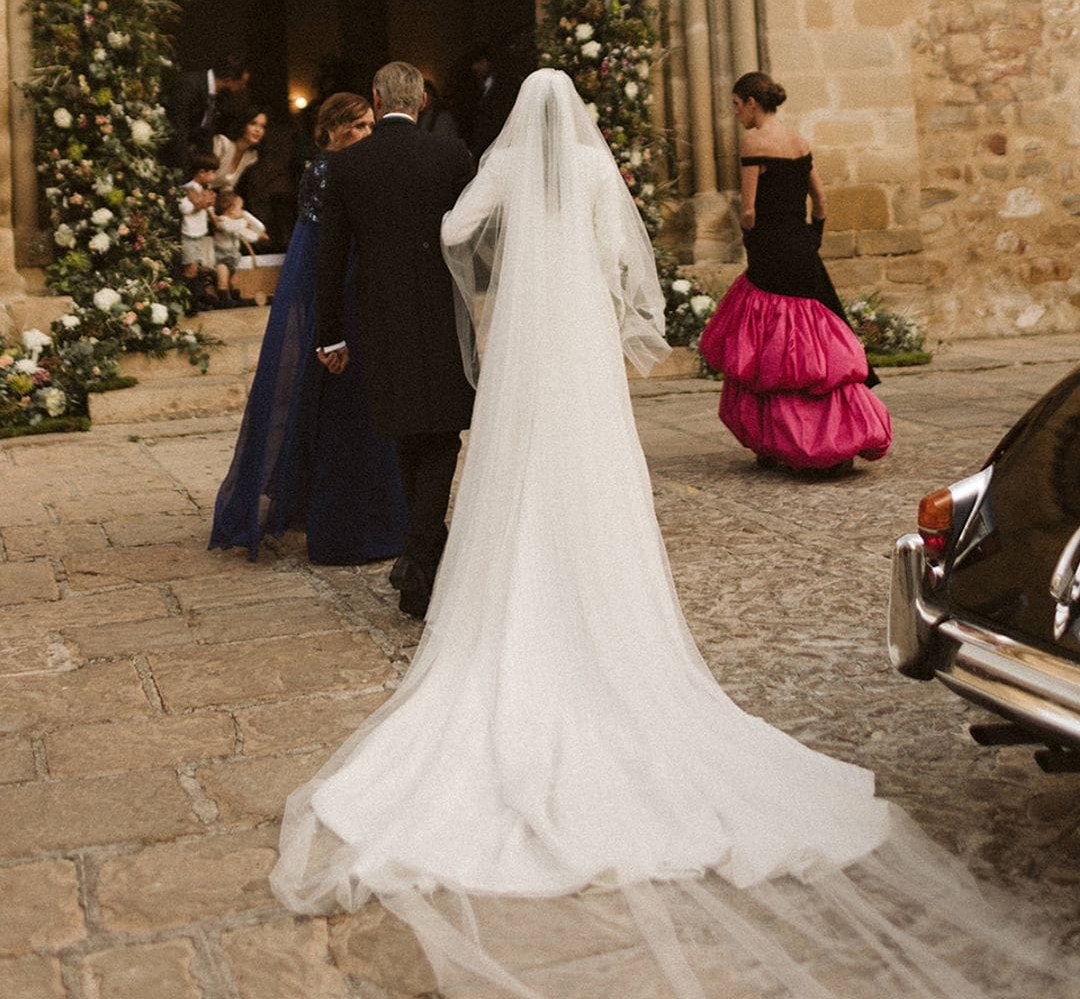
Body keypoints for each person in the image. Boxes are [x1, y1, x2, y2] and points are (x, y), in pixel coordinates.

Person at [272, 69, 1065, 999]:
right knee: (598, 474)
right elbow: (623, 258)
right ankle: (605, 597)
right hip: (584, 358)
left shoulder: (510, 161)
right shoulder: (592, 167)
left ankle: (512, 591)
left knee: (516, 468)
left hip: (530, 350)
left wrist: (498, 259)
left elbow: (452, 233)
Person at [209, 93, 407, 566]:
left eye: (369, 126)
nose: (364, 135)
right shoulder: (324, 171)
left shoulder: (359, 168)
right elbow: (323, 246)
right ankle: (334, 508)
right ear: (332, 130)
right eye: (355, 127)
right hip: (338, 291)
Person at [315, 60, 474, 620]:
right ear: (422, 101)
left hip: (379, 316)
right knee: (442, 436)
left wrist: (329, 333)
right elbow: (472, 239)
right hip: (442, 315)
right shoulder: (452, 156)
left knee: (408, 435)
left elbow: (329, 257)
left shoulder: (348, 166)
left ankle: (418, 562)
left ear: (376, 100)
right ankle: (420, 555)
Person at [700, 71, 892, 474]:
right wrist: (811, 240)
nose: (736, 114)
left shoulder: (754, 142)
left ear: (752, 102)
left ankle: (776, 439)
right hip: (801, 247)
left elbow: (749, 210)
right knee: (816, 343)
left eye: (737, 105)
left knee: (771, 346)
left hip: (770, 248)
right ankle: (838, 438)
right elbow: (821, 203)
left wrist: (753, 238)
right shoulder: (800, 142)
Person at [212, 189, 267, 308]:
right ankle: (224, 301)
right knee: (223, 279)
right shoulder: (221, 220)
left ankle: (233, 296)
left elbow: (245, 234)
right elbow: (228, 228)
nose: (242, 212)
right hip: (221, 256)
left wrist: (258, 236)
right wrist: (244, 221)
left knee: (231, 280)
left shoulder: (236, 222)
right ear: (231, 209)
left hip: (233, 256)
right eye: (240, 208)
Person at [178, 153, 219, 312]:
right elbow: (185, 209)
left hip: (200, 233)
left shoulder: (205, 189)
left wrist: (214, 217)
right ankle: (188, 302)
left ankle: (197, 299)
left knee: (199, 267)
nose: (214, 176)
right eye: (212, 172)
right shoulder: (187, 189)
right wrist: (202, 204)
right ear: (202, 172)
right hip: (190, 233)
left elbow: (209, 207)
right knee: (190, 268)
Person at [210, 105, 267, 197]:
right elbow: (201, 177)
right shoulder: (222, 143)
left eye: (262, 126)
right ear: (242, 124)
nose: (258, 130)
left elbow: (227, 187)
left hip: (215, 199)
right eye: (253, 123)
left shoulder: (251, 156)